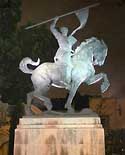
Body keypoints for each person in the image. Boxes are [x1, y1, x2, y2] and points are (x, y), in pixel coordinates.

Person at [50, 17, 77, 85]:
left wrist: (74, 51)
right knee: (66, 64)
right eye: (64, 30)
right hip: (62, 53)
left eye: (66, 30)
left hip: (69, 54)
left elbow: (76, 45)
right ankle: (62, 78)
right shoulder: (59, 36)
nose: (65, 31)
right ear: (61, 31)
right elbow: (52, 28)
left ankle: (72, 79)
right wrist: (55, 20)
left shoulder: (70, 38)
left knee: (75, 64)